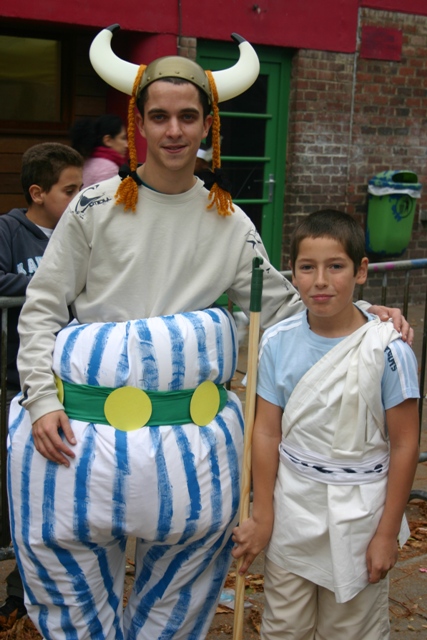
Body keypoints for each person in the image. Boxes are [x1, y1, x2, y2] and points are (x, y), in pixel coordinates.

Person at [8, 24, 411, 640]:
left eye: (189, 117)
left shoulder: (227, 221)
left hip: (187, 447)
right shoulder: (93, 206)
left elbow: (283, 305)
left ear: (208, 125)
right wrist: (39, 399)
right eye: (161, 116)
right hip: (83, 439)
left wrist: (365, 319)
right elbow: (40, 309)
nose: (175, 131)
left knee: (176, 603)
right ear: (139, 121)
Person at [231, 209, 420, 640]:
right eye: (307, 267)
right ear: (292, 274)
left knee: (350, 628)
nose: (320, 280)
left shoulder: (387, 349)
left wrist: (388, 532)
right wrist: (263, 514)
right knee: (284, 624)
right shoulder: (277, 343)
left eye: (335, 266)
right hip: (294, 506)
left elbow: (405, 445)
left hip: (362, 515)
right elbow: (266, 431)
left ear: (361, 271)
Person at [0, 142, 83, 625]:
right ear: (38, 192)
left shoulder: (82, 233)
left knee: (42, 490)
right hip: (14, 381)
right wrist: (52, 284)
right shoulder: (9, 231)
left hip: (65, 387)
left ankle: (29, 587)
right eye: (70, 190)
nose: (79, 199)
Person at [70, 114, 128, 187]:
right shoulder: (108, 168)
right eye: (123, 138)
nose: (126, 145)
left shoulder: (88, 160)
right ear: (108, 140)